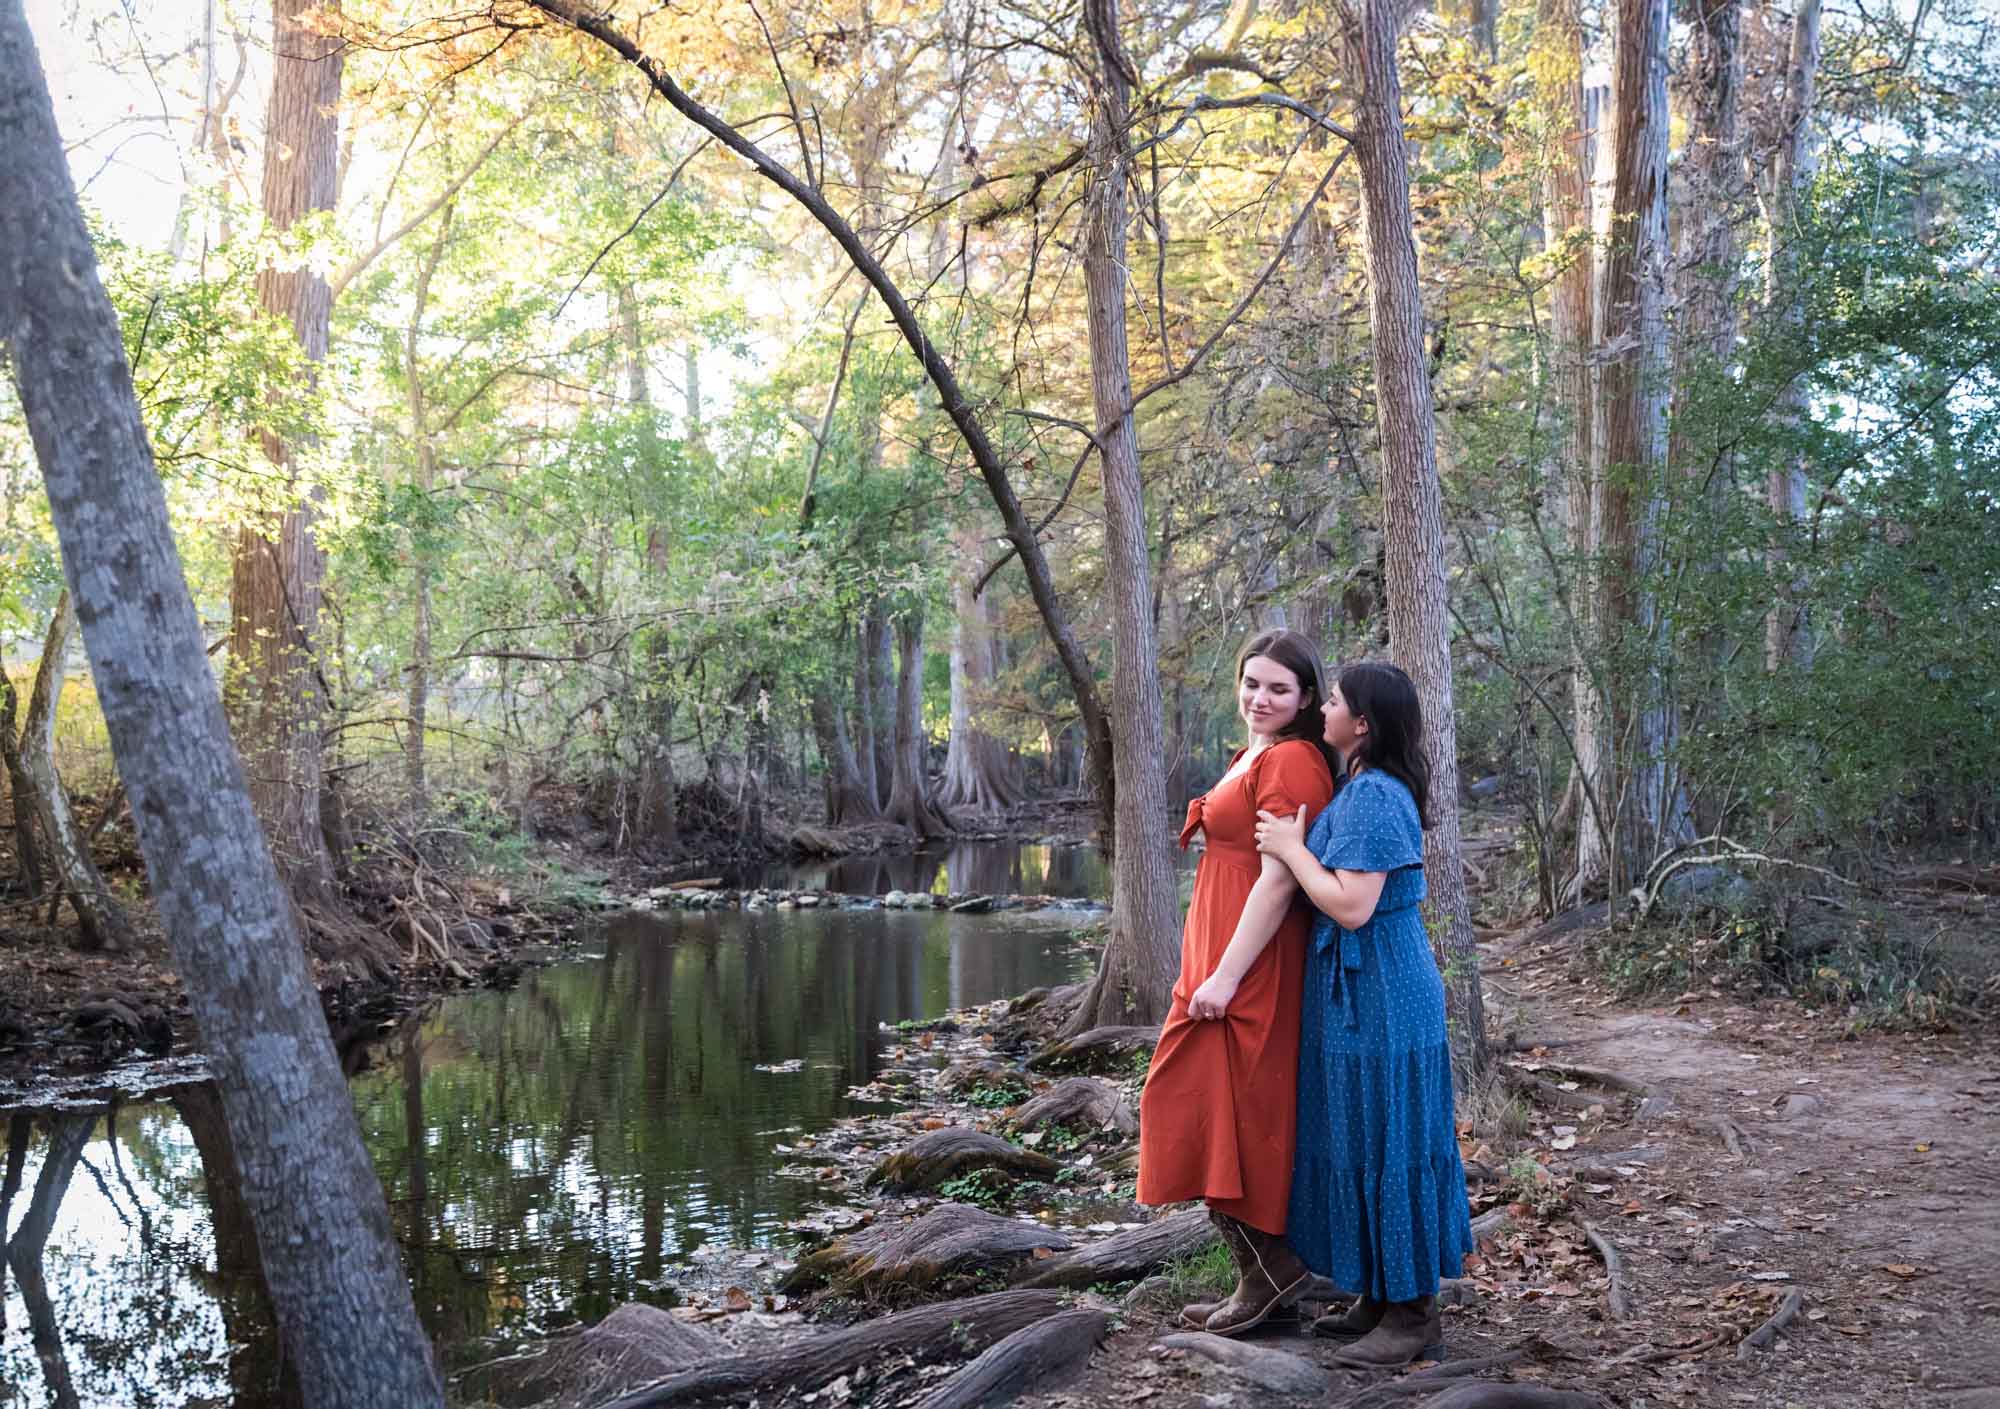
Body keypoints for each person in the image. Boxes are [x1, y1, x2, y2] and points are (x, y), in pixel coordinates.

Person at [1253, 660, 1474, 1367]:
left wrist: (1290, 846)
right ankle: (1379, 1296)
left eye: (1337, 701)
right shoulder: (1357, 787)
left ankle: (1414, 1316)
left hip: (1386, 990)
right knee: (1363, 1139)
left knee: (1393, 1140)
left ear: (1365, 723)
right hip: (1356, 992)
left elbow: (1353, 904)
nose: (1324, 710)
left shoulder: (1377, 794)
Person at [1136, 629, 1340, 1337]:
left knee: (1219, 1106)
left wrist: (1225, 974)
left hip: (1252, 964)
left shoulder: (1292, 761)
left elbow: (1281, 879)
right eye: (1251, 682)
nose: (1260, 697)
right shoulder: (1253, 751)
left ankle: (1271, 1268)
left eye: (1278, 688)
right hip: (1216, 956)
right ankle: (1261, 1271)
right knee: (1202, 1106)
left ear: (1306, 697)